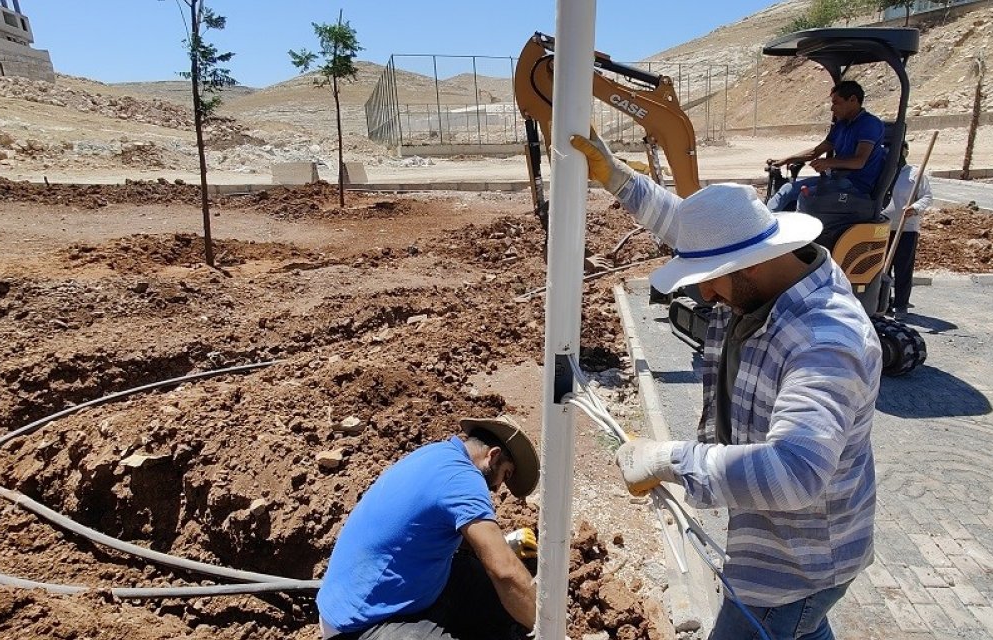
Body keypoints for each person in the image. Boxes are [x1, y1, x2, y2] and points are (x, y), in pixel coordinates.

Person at [571, 132, 880, 640]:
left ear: (756, 259)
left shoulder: (825, 339)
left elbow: (795, 472)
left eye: (711, 277)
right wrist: (617, 177)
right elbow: (682, 222)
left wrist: (673, 460)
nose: (705, 292)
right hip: (786, 549)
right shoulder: (758, 277)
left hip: (795, 567)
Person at [316, 416, 541, 640]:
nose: (497, 487)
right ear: (493, 456)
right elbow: (504, 572)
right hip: (359, 626)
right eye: (506, 474)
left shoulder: (437, 454)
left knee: (476, 577)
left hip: (356, 598)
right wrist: (550, 629)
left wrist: (504, 544)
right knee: (503, 581)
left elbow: (455, 537)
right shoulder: (463, 479)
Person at [766, 80, 887, 213]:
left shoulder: (869, 124)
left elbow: (859, 161)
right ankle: (763, 225)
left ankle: (803, 233)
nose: (832, 108)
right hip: (836, 180)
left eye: (836, 103)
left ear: (853, 100)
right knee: (787, 190)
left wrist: (828, 162)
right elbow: (815, 152)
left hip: (855, 185)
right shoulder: (842, 125)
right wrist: (784, 161)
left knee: (806, 196)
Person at [881, 141, 932, 321]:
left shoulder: (915, 174)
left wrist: (915, 207)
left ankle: (901, 305)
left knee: (903, 268)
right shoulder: (883, 171)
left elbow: (927, 196)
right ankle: (884, 303)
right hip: (883, 227)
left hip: (907, 228)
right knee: (882, 268)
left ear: (905, 152)